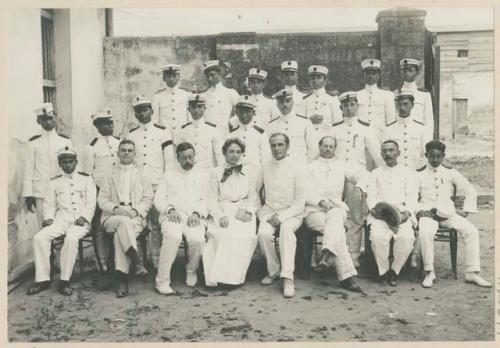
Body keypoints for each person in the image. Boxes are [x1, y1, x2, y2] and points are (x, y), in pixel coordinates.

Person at [416, 141, 491, 288]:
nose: (435, 159)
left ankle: (472, 272)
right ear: (426, 155)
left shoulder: (451, 172)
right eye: (432, 156)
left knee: (472, 231)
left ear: (443, 156)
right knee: (425, 232)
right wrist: (419, 211)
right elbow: (411, 196)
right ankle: (429, 272)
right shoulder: (418, 174)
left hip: (448, 214)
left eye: (438, 156)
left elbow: (469, 188)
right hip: (428, 215)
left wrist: (466, 210)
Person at [27, 146, 96, 296]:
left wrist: (84, 217)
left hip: (80, 220)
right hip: (61, 220)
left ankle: (65, 281)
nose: (68, 165)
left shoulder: (86, 179)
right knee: (39, 238)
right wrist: (49, 219)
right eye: (64, 162)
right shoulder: (54, 182)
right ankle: (43, 280)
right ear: (59, 164)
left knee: (71, 239)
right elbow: (49, 204)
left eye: (70, 161)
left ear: (76, 162)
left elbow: (91, 203)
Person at [304, 136, 364, 292]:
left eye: (331, 146)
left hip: (336, 208)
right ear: (319, 146)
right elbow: (305, 191)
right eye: (325, 146)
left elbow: (363, 175)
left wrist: (359, 187)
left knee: (336, 216)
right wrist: (320, 202)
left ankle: (326, 253)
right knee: (337, 232)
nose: (328, 149)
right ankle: (346, 278)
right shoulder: (309, 167)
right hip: (315, 210)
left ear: (335, 148)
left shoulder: (342, 166)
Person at [330, 91, 383, 267]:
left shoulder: (365, 128)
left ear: (357, 106)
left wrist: (386, 173)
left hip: (357, 175)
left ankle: (353, 255)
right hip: (336, 174)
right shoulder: (334, 128)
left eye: (352, 105)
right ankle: (334, 251)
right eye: (345, 105)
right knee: (334, 213)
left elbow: (376, 154)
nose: (349, 108)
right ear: (341, 108)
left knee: (356, 217)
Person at [97, 139, 154, 297]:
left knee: (121, 232)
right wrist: (115, 209)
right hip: (113, 216)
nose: (126, 153)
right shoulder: (109, 175)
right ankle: (136, 261)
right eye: (123, 150)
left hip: (135, 216)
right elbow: (102, 200)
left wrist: (136, 211)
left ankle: (122, 279)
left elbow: (148, 198)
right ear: (118, 153)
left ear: (134, 154)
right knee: (123, 223)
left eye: (130, 150)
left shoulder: (143, 175)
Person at [126, 95, 176, 269]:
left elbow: (169, 161)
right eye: (139, 110)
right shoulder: (131, 134)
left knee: (156, 225)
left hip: (157, 185)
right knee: (137, 222)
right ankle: (138, 263)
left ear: (152, 111)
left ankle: (157, 262)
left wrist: (166, 185)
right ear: (135, 114)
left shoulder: (163, 132)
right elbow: (130, 161)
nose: (142, 113)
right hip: (138, 187)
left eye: (145, 109)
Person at [154, 142, 209, 295]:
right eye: (183, 158)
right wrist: (170, 210)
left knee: (197, 239)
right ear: (177, 158)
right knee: (173, 236)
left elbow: (208, 198)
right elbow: (158, 199)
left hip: (195, 216)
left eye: (190, 157)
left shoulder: (203, 175)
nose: (188, 161)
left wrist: (197, 213)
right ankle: (162, 280)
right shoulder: (168, 175)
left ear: (195, 156)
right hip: (173, 216)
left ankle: (191, 270)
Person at [202, 138, 258, 287]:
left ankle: (235, 278)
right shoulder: (216, 172)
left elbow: (253, 196)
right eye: (231, 151)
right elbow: (211, 198)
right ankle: (218, 278)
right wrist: (220, 216)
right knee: (223, 235)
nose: (234, 155)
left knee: (245, 235)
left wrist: (249, 212)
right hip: (222, 209)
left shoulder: (248, 171)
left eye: (238, 152)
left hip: (242, 208)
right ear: (224, 153)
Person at [256, 133, 306, 298]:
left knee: (285, 231)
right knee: (263, 233)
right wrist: (259, 211)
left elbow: (300, 201)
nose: (277, 149)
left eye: (280, 145)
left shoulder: (297, 167)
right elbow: (255, 192)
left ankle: (288, 278)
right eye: (273, 145)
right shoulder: (264, 165)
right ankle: (274, 269)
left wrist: (282, 217)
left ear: (287, 146)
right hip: (270, 212)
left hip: (292, 213)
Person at [363, 140, 418, 286]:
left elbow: (412, 196)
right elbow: (371, 195)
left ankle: (395, 271)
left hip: (401, 216)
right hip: (380, 216)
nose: (388, 154)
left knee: (406, 238)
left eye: (391, 150)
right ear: (381, 154)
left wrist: (407, 212)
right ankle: (383, 272)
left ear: (398, 153)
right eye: (385, 151)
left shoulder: (407, 173)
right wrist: (374, 209)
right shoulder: (376, 173)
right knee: (378, 238)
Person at [23, 103, 73, 230]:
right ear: (38, 121)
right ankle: (47, 251)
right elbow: (28, 170)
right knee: (44, 227)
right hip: (41, 192)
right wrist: (28, 194)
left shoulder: (65, 141)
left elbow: (72, 167)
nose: (49, 122)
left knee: (65, 226)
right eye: (44, 119)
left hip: (62, 190)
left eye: (51, 118)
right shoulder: (33, 143)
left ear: (55, 118)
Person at [82, 108, 121, 270]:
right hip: (98, 192)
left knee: (117, 226)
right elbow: (87, 176)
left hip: (118, 192)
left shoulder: (119, 142)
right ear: (97, 126)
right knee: (99, 229)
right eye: (105, 123)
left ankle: (118, 261)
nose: (110, 126)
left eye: (111, 122)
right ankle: (103, 264)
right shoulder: (91, 147)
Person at [300, 65, 342, 160]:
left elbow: (338, 124)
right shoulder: (304, 100)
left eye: (319, 77)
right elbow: (300, 124)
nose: (315, 80)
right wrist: (309, 121)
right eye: (313, 78)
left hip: (328, 143)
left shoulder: (332, 99)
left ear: (325, 80)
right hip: (310, 143)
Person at [382, 89, 430, 170]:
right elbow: (384, 155)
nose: (402, 108)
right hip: (397, 173)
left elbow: (426, 153)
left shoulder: (421, 129)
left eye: (405, 104)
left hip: (416, 172)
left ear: (412, 105)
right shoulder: (388, 130)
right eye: (399, 105)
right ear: (396, 106)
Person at [175, 93, 224, 171]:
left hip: (207, 174)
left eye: (199, 107)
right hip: (189, 173)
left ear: (205, 108)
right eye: (193, 107)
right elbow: (179, 156)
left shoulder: (213, 130)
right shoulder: (183, 130)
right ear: (189, 109)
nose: (196, 110)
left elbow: (220, 157)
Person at [267, 89, 314, 165]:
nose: (285, 104)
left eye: (288, 101)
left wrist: (307, 167)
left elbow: (313, 149)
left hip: (300, 167)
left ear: (293, 103)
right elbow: (268, 151)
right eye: (281, 102)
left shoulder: (305, 123)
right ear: (277, 105)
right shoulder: (271, 126)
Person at [356, 58, 396, 141]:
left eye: (374, 73)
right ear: (363, 75)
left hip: (380, 138)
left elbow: (391, 122)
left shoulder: (387, 95)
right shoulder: (356, 95)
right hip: (360, 137)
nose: (370, 76)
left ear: (379, 76)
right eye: (367, 73)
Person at [227, 95, 271, 168]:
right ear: (237, 113)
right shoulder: (231, 134)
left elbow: (266, 159)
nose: (244, 115)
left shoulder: (260, 133)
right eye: (241, 112)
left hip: (256, 176)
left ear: (253, 112)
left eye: (247, 112)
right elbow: (227, 158)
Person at [201, 59, 240, 136]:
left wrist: (231, 124)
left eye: (212, 75)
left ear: (219, 74)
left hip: (225, 133)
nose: (210, 79)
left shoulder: (230, 93)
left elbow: (240, 110)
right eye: (207, 76)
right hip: (208, 133)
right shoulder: (204, 95)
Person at [398, 58, 434, 139]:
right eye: (404, 71)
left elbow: (429, 121)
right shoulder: (395, 94)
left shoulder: (424, 95)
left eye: (410, 71)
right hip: (399, 135)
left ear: (417, 72)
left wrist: (427, 140)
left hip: (418, 135)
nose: (407, 73)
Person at [151, 64, 190, 136]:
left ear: (179, 77)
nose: (171, 79)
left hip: (183, 135)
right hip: (164, 136)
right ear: (164, 78)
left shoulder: (187, 95)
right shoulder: (157, 97)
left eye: (174, 76)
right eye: (168, 76)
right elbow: (154, 121)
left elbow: (190, 120)